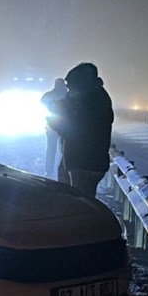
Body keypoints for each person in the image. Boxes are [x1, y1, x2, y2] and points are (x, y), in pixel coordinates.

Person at [47, 62, 113, 196]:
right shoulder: (91, 97)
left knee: (80, 203)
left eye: (70, 86)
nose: (68, 90)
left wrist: (55, 123)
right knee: (74, 201)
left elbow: (77, 131)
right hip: (85, 161)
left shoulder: (91, 103)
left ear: (80, 84)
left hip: (85, 163)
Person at [40, 78, 67, 178]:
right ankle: (63, 171)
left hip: (52, 126)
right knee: (63, 150)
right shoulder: (68, 96)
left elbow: (42, 106)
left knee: (51, 149)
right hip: (65, 126)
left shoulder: (48, 95)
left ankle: (49, 171)